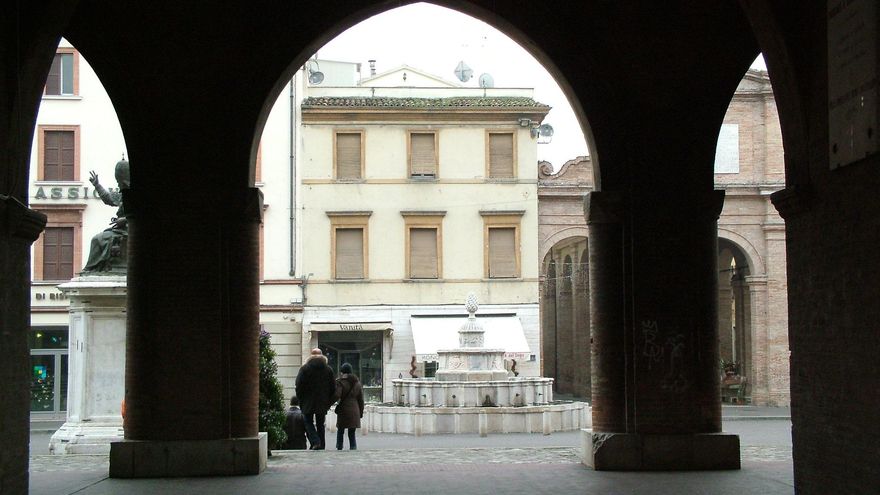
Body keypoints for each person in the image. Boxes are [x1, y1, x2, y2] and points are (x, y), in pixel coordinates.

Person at [295, 348, 336, 450]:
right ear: (322, 356)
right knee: (320, 424)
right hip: (322, 402)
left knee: (308, 422)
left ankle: (315, 442)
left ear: (311, 357)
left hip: (307, 401)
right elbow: (333, 388)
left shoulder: (304, 369)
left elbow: (298, 385)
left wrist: (301, 399)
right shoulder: (328, 370)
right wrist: (328, 401)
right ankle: (321, 445)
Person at [334, 362, 365, 450]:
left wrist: (329, 402)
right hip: (355, 409)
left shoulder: (340, 382)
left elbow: (337, 395)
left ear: (342, 372)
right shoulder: (357, 383)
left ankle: (339, 446)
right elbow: (361, 400)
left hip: (343, 409)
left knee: (340, 430)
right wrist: (361, 412)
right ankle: (353, 447)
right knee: (352, 432)